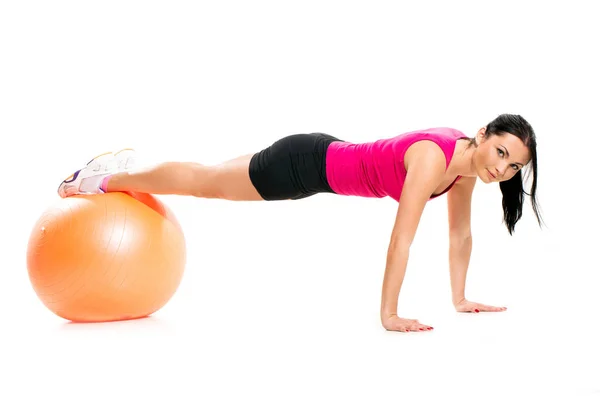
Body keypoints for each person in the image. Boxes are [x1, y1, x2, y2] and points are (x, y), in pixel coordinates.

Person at [57, 113, 542, 332]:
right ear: (482, 134)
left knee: (214, 172)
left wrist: (459, 299)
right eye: (500, 152)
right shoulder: (433, 162)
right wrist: (388, 315)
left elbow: (460, 235)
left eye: (513, 166)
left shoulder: (464, 168)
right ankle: (105, 179)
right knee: (205, 181)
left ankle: (126, 168)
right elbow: (402, 239)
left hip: (320, 156)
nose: (501, 169)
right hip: (302, 166)